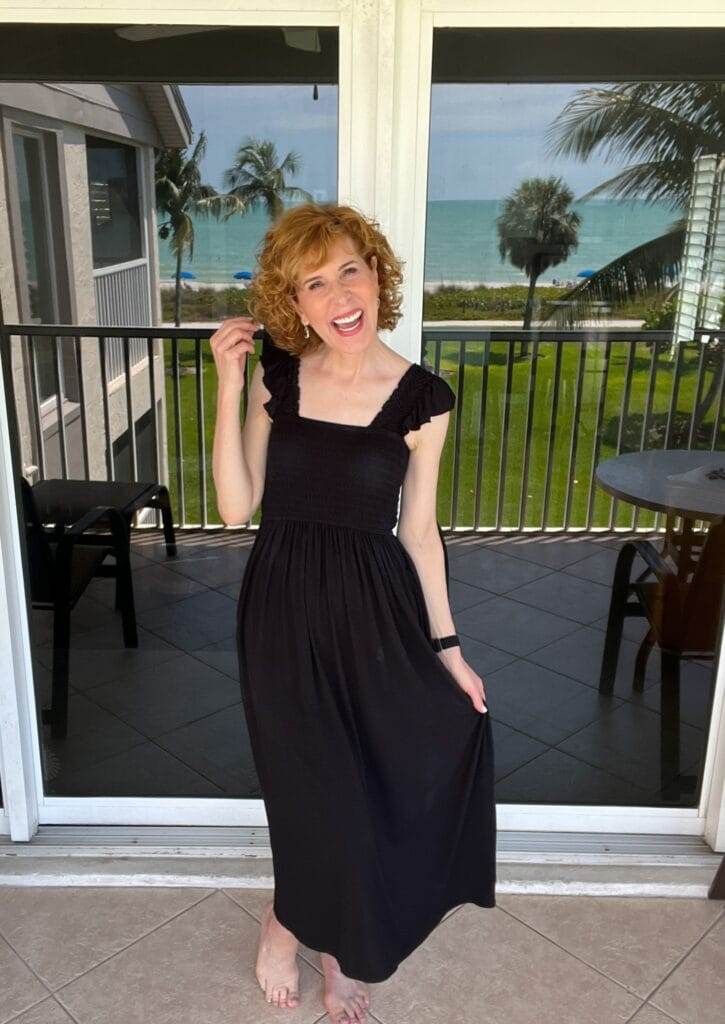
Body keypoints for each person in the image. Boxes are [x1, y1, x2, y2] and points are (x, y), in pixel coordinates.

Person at [210, 202, 496, 1023]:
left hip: (375, 614)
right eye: (313, 282)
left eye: (349, 270)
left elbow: (420, 532)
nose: (338, 294)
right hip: (281, 607)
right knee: (305, 789)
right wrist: (230, 385)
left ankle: (328, 943)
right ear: (291, 304)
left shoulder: (423, 400)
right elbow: (236, 507)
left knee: (365, 788)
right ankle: (286, 923)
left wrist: (447, 649)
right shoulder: (278, 374)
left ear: (376, 277)